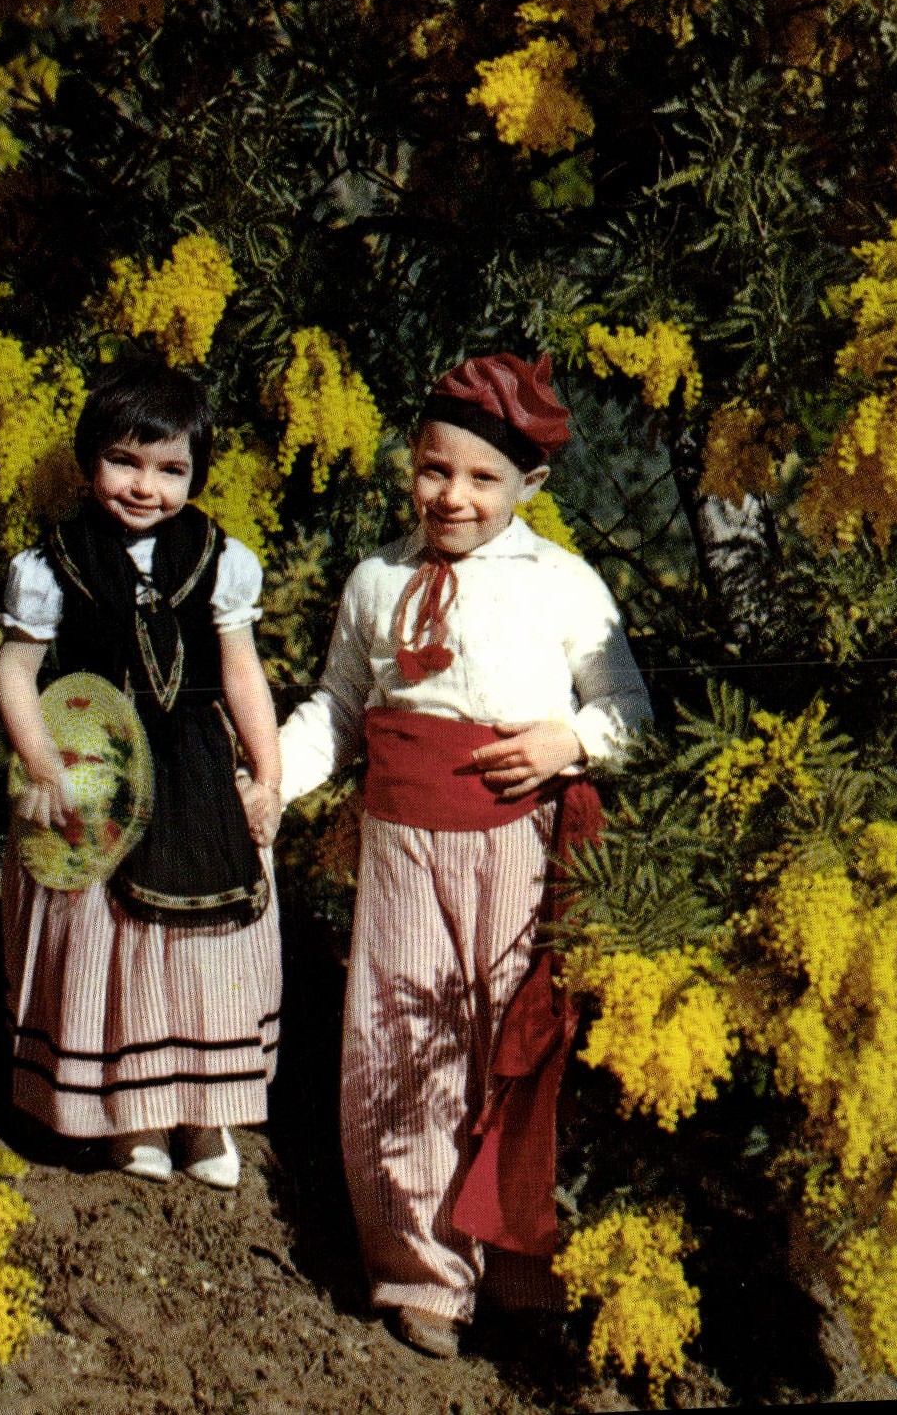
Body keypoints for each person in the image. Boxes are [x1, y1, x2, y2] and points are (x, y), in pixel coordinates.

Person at [278, 352, 652, 1357]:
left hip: (515, 842)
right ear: (411, 464)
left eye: (483, 478)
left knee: (512, 1039)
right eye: (435, 469)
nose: (455, 495)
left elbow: (632, 711)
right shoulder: (377, 579)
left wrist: (569, 741)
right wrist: (273, 776)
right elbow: (339, 710)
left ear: (530, 485)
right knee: (401, 1044)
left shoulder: (563, 584)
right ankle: (422, 1269)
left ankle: (520, 1259)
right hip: (402, 846)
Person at [0, 356, 283, 1188]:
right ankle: (132, 1117)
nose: (145, 487)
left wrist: (265, 778)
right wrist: (42, 767)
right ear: (90, 461)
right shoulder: (53, 564)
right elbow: (16, 672)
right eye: (124, 461)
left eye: (170, 470)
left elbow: (242, 674)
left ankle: (206, 1116)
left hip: (194, 769)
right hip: (97, 763)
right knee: (111, 940)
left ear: (195, 474)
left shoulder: (220, 560)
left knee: (205, 937)